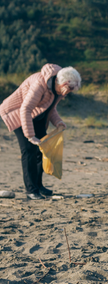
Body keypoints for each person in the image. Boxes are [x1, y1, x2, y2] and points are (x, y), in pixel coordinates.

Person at [0, 64, 81, 200]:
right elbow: (25, 109)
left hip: (35, 115)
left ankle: (39, 186)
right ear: (62, 82)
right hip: (17, 113)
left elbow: (50, 108)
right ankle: (31, 190)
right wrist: (30, 136)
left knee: (41, 150)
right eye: (69, 88)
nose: (68, 93)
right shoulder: (40, 84)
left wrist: (58, 122)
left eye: (72, 90)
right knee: (29, 150)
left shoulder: (59, 89)